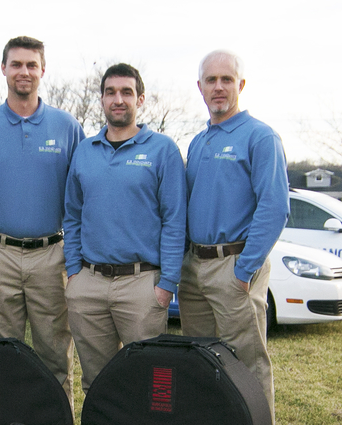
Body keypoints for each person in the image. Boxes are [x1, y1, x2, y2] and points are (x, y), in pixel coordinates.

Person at [0, 36, 83, 406]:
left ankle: (57, 415)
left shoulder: (66, 126)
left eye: (32, 65)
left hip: (52, 254)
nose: (24, 72)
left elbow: (81, 196)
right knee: (0, 352)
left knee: (54, 352)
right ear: (3, 69)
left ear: (43, 70)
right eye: (16, 64)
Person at [179, 50, 289, 422]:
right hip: (194, 269)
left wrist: (245, 271)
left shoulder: (259, 137)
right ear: (200, 87)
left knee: (247, 364)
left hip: (234, 267)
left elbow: (274, 208)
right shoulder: (198, 142)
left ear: (241, 85)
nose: (219, 87)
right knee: (203, 360)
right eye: (211, 80)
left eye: (227, 80)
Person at [63, 63, 185, 393]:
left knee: (147, 382)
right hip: (88, 284)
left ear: (140, 99)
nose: (118, 99)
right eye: (111, 92)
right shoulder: (84, 152)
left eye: (126, 92)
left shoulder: (163, 150)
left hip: (142, 284)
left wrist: (167, 283)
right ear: (101, 99)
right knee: (98, 383)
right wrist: (74, 272)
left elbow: (174, 220)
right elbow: (72, 216)